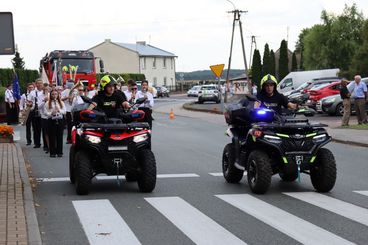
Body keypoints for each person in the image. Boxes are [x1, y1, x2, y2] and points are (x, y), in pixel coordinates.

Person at [45, 89, 66, 157]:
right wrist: (51, 113)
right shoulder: (47, 103)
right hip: (51, 120)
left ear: (58, 95)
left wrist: (59, 110)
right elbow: (46, 113)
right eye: (53, 94)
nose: (54, 96)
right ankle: (53, 152)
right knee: (52, 136)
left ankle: (59, 152)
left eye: (56, 94)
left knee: (59, 136)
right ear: (50, 95)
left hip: (59, 120)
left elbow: (64, 111)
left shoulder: (61, 102)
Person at [28, 79, 46, 148]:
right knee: (36, 129)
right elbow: (29, 101)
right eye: (38, 83)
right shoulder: (32, 92)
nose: (39, 85)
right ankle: (37, 143)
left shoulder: (45, 92)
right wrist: (29, 104)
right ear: (35, 84)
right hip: (34, 112)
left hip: (43, 112)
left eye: (41, 83)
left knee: (44, 129)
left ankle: (46, 144)